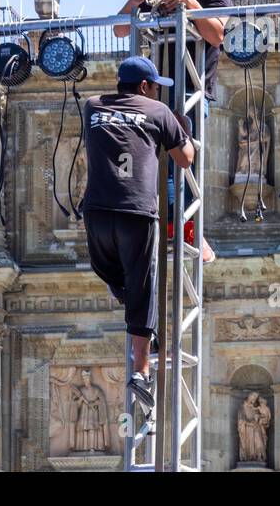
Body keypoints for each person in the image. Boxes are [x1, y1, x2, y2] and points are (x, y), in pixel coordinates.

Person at [81, 55, 213, 419]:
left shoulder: (91, 106)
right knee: (143, 289)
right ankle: (141, 368)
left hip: (95, 212)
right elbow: (185, 158)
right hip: (135, 212)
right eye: (155, 86)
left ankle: (142, 325)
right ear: (144, 87)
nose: (157, 92)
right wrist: (181, 128)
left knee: (113, 274)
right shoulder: (157, 112)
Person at [113, 0, 232, 109]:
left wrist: (189, 1)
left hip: (192, 90)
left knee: (184, 136)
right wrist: (134, 2)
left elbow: (216, 37)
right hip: (155, 91)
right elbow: (119, 31)